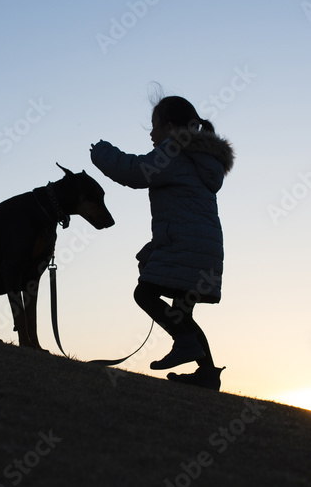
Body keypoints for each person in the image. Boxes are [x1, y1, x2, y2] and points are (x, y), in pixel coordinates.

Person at [90, 92, 234, 390]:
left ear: (170, 126)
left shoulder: (176, 153)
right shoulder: (201, 160)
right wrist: (157, 247)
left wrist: (102, 152)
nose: (152, 134)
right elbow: (186, 214)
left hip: (186, 246)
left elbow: (135, 171)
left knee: (145, 294)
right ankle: (206, 374)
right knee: (183, 315)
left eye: (154, 126)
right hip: (203, 250)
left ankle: (184, 345)